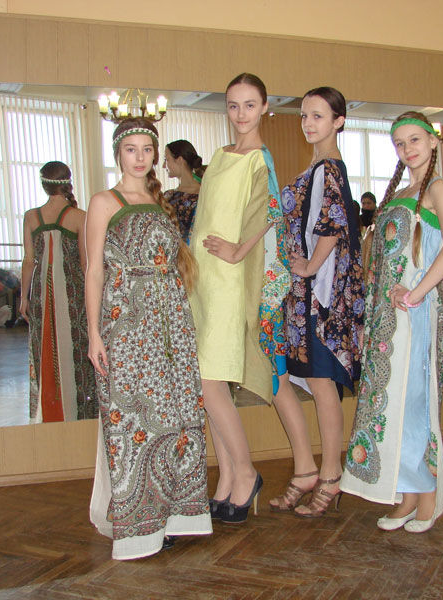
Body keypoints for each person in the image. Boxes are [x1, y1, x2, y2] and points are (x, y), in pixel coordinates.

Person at [84, 117, 211, 560]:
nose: (139, 158)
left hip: (169, 323)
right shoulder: (104, 201)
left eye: (146, 149)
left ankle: (173, 516)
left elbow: (177, 265)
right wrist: (94, 332)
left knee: (175, 418)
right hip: (126, 326)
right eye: (130, 149)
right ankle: (138, 525)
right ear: (118, 154)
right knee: (132, 422)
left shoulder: (162, 202)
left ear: (155, 154)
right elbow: (93, 270)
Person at [340, 111, 443, 533]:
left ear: (433, 142)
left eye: (415, 140)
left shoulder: (437, 188)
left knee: (414, 402)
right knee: (393, 405)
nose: (408, 149)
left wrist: (416, 292)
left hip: (414, 315)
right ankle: (407, 494)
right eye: (400, 143)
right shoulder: (401, 192)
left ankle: (429, 495)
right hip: (386, 317)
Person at [189, 73, 290, 523]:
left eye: (250, 105)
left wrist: (238, 250)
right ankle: (227, 478)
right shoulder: (219, 154)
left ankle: (246, 472)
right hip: (203, 279)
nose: (241, 113)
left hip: (229, 281)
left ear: (264, 107)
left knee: (210, 383)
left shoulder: (259, 159)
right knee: (209, 385)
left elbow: (271, 210)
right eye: (233, 105)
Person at [269, 86, 364, 517]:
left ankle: (331, 475)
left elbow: (332, 223)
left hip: (323, 297)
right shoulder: (318, 167)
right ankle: (317, 472)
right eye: (304, 115)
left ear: (338, 121)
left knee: (324, 385)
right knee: (316, 382)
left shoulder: (330, 168)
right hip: (309, 294)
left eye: (318, 116)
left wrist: (308, 267)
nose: (308, 123)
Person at [20, 161, 96, 422]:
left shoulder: (31, 217)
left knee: (45, 350)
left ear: (44, 184)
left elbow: (28, 261)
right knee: (76, 350)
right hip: (74, 295)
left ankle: (49, 412)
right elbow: (86, 264)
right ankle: (78, 414)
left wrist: (23, 297)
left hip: (42, 294)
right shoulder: (80, 216)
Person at [163, 139, 205, 243]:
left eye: (166, 159)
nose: (164, 165)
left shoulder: (205, 195)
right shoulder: (167, 195)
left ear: (180, 160)